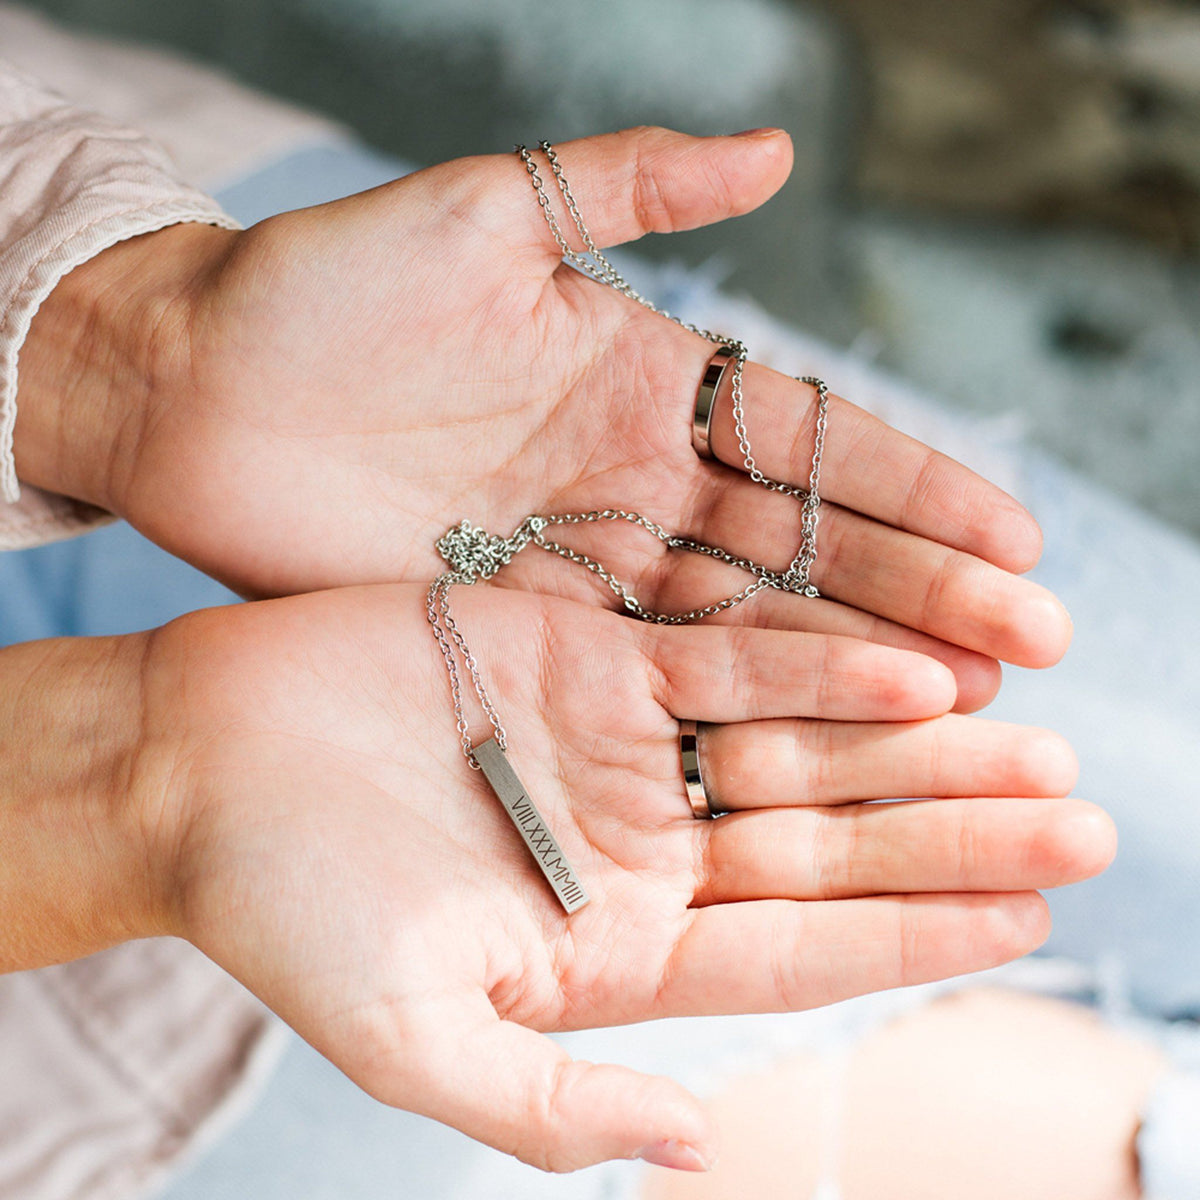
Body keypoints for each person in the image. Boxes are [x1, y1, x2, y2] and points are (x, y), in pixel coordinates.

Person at [0, 8, 1143, 1196]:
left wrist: (122, 341)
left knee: (1130, 764)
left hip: (166, 293)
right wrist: (123, 786)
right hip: (91, 1058)